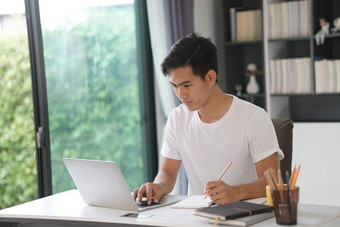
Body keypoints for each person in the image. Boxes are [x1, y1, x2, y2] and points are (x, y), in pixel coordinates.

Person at [133, 32, 283, 206]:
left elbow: (271, 182)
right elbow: (167, 173)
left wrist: (235, 193)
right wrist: (158, 186)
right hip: (196, 216)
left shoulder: (254, 118)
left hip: (245, 214)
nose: (181, 94)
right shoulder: (177, 118)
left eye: (187, 85)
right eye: (175, 86)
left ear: (210, 77)